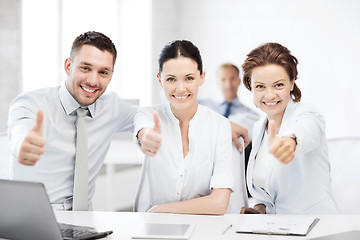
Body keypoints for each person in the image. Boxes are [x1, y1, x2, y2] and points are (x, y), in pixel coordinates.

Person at [7, 31, 137, 210]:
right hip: (35, 215)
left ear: (111, 74)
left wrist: (143, 129)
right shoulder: (30, 103)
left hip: (85, 223)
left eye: (103, 72)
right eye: (85, 68)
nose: (93, 81)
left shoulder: (112, 107)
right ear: (68, 66)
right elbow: (19, 130)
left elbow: (146, 116)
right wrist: (23, 143)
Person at [134, 40, 235, 215]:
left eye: (189, 78)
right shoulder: (147, 116)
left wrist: (159, 210)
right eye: (171, 79)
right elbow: (143, 130)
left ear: (202, 77)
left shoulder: (220, 125)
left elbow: (219, 203)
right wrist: (147, 137)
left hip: (202, 228)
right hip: (155, 229)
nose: (180, 89)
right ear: (160, 80)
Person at [239, 42, 338, 214]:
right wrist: (260, 208)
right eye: (260, 86)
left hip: (318, 227)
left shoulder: (308, 113)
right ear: (251, 87)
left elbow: (307, 130)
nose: (270, 95)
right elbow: (268, 192)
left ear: (292, 83)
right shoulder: (258, 128)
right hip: (279, 229)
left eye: (278, 85)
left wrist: (291, 141)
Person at [198, 63, 259, 138]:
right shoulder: (201, 106)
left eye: (232, 79)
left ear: (239, 81)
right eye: (223, 80)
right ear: (218, 82)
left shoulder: (251, 116)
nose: (228, 85)